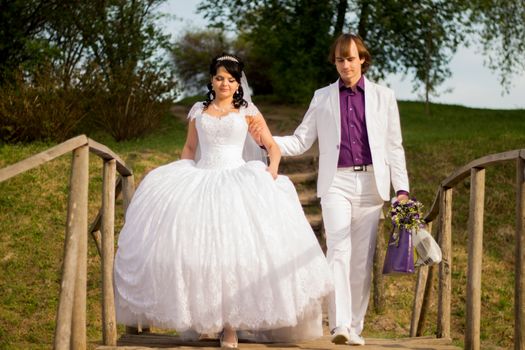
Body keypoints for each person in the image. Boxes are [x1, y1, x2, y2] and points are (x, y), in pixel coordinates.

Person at [113, 53, 333, 349]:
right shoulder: (198, 111)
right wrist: (181, 175)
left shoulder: (247, 111)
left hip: (236, 179)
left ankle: (230, 327)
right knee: (198, 254)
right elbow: (190, 148)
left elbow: (271, 146)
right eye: (219, 78)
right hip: (201, 179)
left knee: (232, 257)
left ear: (238, 83)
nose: (224, 84)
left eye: (230, 79)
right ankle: (204, 320)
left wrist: (272, 171)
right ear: (211, 80)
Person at [250, 34, 410, 346]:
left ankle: (356, 328)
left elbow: (394, 147)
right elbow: (300, 140)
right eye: (339, 59)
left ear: (362, 58)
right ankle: (339, 324)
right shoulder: (322, 97)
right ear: (334, 62)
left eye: (350, 58)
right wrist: (267, 140)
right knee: (338, 249)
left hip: (372, 184)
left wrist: (401, 189)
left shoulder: (383, 97)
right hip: (336, 182)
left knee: (361, 261)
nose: (345, 64)